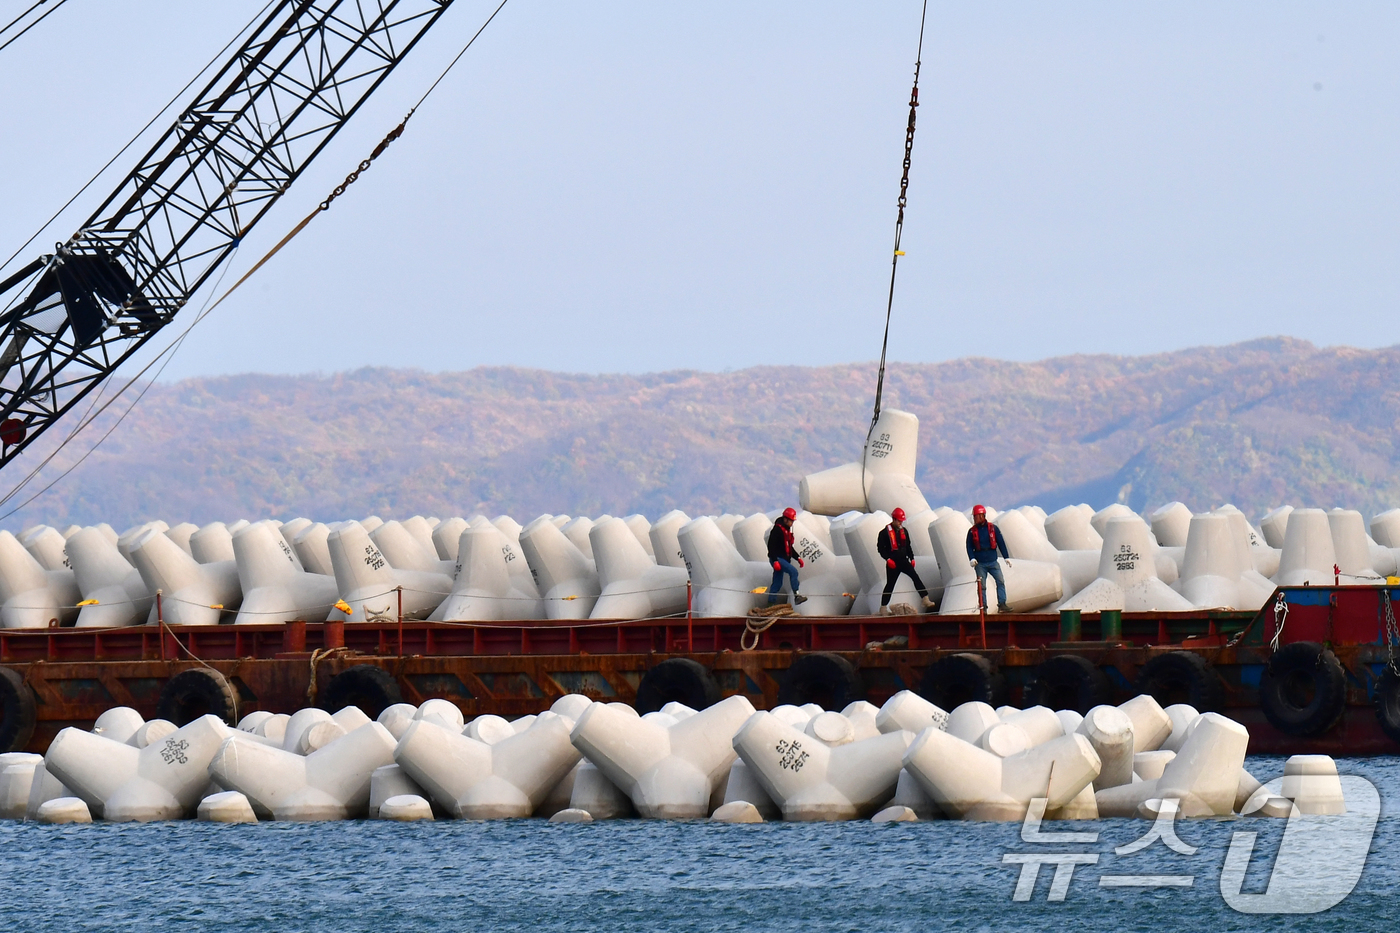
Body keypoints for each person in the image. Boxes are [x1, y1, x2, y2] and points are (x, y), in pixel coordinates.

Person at [876, 507, 935, 614]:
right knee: (890, 584)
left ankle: (925, 598)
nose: (900, 523)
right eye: (899, 521)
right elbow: (880, 548)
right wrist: (888, 559)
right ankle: (883, 607)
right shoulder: (884, 533)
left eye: (901, 521)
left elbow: (908, 546)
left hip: (903, 561)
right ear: (893, 519)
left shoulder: (904, 531)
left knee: (915, 577)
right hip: (893, 563)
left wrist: (912, 558)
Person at [965, 504, 1011, 612]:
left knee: (1000, 581)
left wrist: (1006, 557)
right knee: (982, 586)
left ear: (981, 516)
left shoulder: (993, 529)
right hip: (980, 563)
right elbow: (969, 546)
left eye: (975, 516)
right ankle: (983, 607)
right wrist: (971, 558)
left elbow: (1001, 542)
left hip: (993, 561)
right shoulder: (972, 532)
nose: (974, 519)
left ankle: (1002, 604)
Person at [766, 507, 807, 606]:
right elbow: (771, 546)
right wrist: (775, 561)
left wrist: (798, 558)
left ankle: (770, 604)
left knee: (777, 582)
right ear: (785, 519)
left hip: (782, 559)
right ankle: (797, 596)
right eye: (791, 521)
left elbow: (789, 548)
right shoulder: (777, 530)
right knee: (793, 572)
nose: (792, 523)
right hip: (778, 558)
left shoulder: (786, 531)